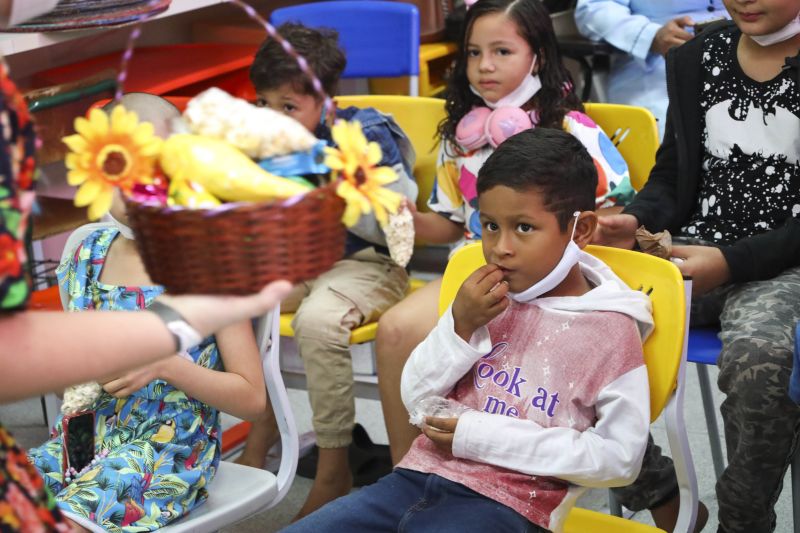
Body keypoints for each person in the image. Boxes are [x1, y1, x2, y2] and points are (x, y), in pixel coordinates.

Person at [282, 127, 653, 533]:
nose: (500, 247)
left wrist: (479, 436)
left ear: (579, 231)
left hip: (509, 508)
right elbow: (417, 399)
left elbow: (620, 459)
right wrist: (460, 328)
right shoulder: (484, 299)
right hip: (410, 482)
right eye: (490, 226)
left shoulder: (610, 329)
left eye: (524, 228)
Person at [0, 34, 290, 533]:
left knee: (81, 509)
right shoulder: (88, 256)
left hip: (167, 453)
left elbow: (250, 398)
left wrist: (163, 363)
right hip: (88, 436)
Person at [376, 0, 632, 467]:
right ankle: (405, 466)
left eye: (501, 51)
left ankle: (645, 476)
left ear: (538, 56)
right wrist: (400, 215)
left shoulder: (573, 130)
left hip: (554, 282)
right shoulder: (461, 137)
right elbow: (448, 226)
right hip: (478, 270)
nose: (484, 66)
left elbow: (613, 214)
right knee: (396, 329)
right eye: (473, 53)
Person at [594, 2, 800, 531]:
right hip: (695, 252)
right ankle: (661, 493)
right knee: (576, 316)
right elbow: (674, 173)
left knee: (761, 360)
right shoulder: (695, 56)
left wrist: (732, 262)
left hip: (787, 266)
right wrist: (637, 216)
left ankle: (743, 517)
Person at [240, 22, 419, 518]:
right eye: (264, 104)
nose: (272, 120)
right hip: (304, 262)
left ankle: (334, 466)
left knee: (319, 321)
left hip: (370, 263)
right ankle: (261, 433)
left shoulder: (366, 135)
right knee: (240, 296)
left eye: (288, 107)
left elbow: (400, 233)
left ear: (326, 100)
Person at [575, 0, 729, 139]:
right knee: (668, 143)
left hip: (743, 52)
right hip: (658, 63)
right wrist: (650, 36)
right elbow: (594, 9)